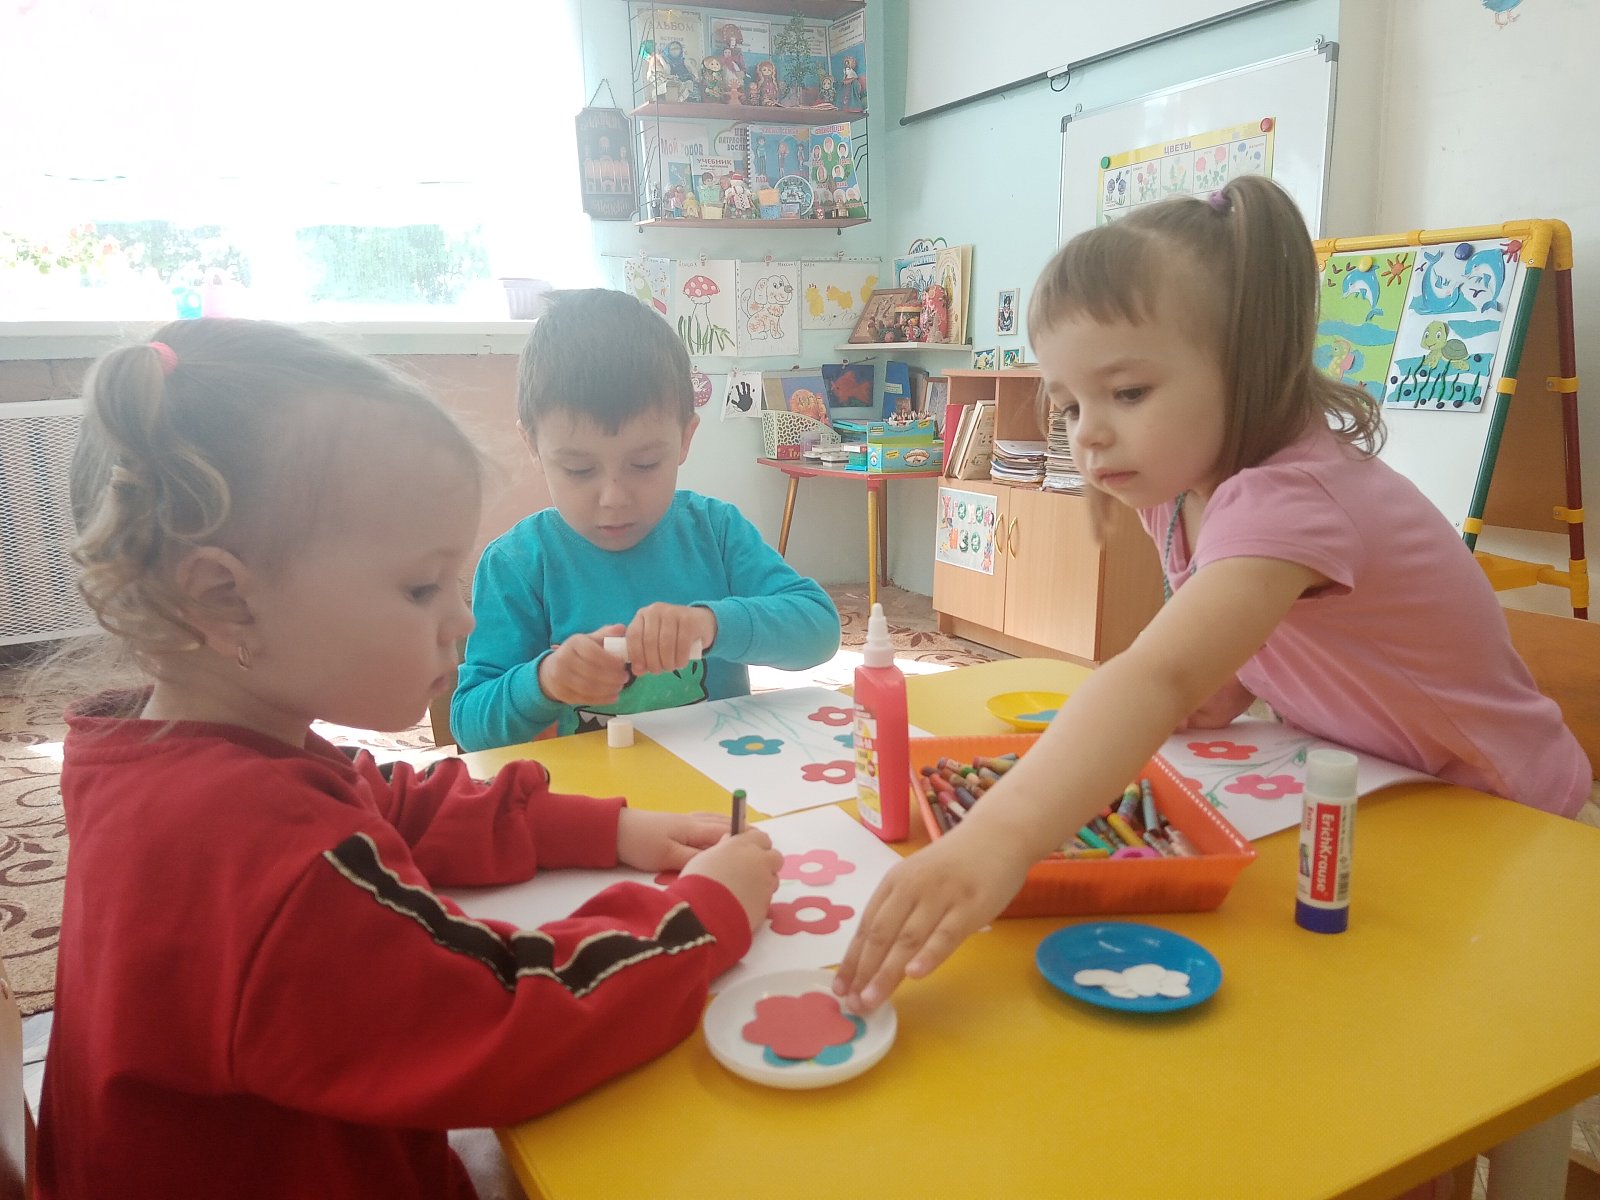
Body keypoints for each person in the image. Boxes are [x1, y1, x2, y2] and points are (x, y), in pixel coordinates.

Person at [39, 319, 782, 1199]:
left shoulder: (181, 753)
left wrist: (610, 829)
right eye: (423, 587)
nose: (461, 621)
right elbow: (505, 1018)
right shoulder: (273, 863)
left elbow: (385, 798)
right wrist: (701, 918)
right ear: (224, 598)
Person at [834, 175, 1590, 1017]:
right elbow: (1228, 657)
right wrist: (1205, 694)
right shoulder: (1180, 489)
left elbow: (1158, 676)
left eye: (1127, 393)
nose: (1089, 433)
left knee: (1420, 1025)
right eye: (1070, 405)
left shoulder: (1292, 495)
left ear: (1246, 365)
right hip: (1374, 789)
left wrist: (999, 839)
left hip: (1512, 817)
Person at [451, 288, 840, 750]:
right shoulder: (517, 564)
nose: (614, 499)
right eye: (578, 469)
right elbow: (471, 726)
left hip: (716, 777)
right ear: (533, 447)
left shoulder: (714, 531)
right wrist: (544, 682)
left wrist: (712, 625)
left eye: (645, 464)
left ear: (685, 439)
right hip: (583, 793)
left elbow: (819, 630)